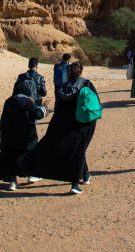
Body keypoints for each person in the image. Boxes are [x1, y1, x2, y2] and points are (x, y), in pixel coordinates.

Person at [17, 61, 99, 195]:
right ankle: (74, 184)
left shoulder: (63, 87)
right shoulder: (86, 84)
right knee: (78, 150)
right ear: (82, 71)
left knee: (75, 149)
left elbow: (59, 108)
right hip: (81, 123)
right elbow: (94, 103)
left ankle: (85, 175)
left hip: (64, 123)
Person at [0, 93, 48, 191]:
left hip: (10, 137)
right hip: (25, 138)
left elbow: (3, 119)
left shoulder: (9, 102)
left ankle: (13, 183)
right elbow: (38, 114)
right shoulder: (29, 102)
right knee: (29, 157)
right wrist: (44, 106)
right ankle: (32, 176)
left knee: (11, 160)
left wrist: (2, 133)